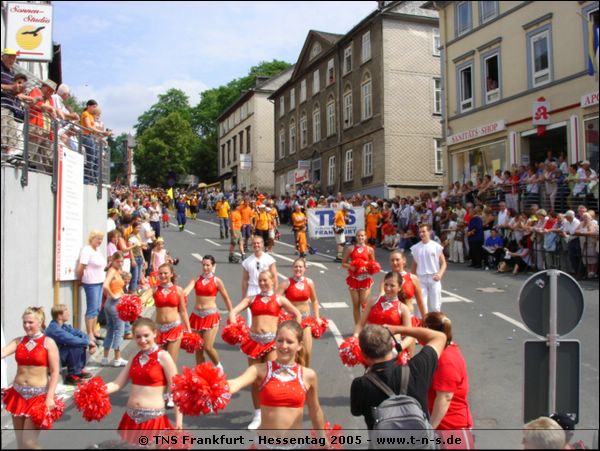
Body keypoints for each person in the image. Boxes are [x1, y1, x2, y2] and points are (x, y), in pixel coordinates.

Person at [229, 271, 301, 430]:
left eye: (265, 280)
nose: (262, 283)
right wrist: (234, 328)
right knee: (255, 379)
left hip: (271, 344)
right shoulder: (252, 299)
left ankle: (271, 412)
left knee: (270, 378)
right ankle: (257, 414)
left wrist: (294, 335)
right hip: (253, 342)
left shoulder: (279, 299)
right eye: (260, 281)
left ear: (272, 281)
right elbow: (233, 312)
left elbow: (296, 314)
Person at [227, 321, 325, 435]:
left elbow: (315, 411)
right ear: (274, 342)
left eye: (289, 342)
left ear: (299, 345)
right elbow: (235, 383)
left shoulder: (308, 375)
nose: (284, 346)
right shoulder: (259, 370)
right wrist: (213, 385)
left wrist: (323, 439)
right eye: (280, 340)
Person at [350, 324, 446, 430]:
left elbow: (356, 411)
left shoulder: (360, 384)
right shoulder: (417, 368)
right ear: (392, 346)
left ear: (364, 355)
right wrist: (397, 329)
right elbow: (440, 337)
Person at [105, 317, 182, 443]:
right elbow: (116, 383)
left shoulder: (163, 356)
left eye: (146, 335)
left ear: (155, 333)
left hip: (153, 421)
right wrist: (95, 390)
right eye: (138, 336)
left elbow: (176, 389)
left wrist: (178, 421)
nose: (142, 340)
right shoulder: (134, 356)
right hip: (130, 419)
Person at [1, 307, 61, 449]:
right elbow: (2, 352)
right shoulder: (18, 341)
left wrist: (50, 397)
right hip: (17, 396)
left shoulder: (48, 343)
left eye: (30, 322)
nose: (26, 325)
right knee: (21, 444)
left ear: (40, 322)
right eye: (24, 322)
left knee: (29, 442)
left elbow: (55, 371)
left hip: (38, 397)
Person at [423, 312, 474, 449]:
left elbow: (445, 397)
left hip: (450, 429)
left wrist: (430, 430)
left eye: (422, 329)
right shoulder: (444, 350)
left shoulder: (446, 359)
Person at [183, 255, 233, 371]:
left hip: (210, 316)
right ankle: (201, 372)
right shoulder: (196, 279)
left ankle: (218, 366)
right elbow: (186, 291)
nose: (205, 267)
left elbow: (226, 298)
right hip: (196, 317)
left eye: (208, 265)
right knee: (198, 348)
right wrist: (178, 294)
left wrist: (232, 314)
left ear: (213, 266)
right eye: (204, 265)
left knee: (208, 347)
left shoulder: (217, 281)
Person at [277, 258, 322, 367]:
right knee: (292, 351)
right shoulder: (286, 283)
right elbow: (275, 301)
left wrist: (317, 317)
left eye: (300, 267)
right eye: (296, 266)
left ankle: (305, 374)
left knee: (306, 351)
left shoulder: (309, 282)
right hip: (291, 322)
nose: (298, 269)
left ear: (305, 269)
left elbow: (315, 300)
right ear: (293, 268)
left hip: (305, 321)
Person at [355, 272, 414, 354]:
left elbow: (410, 335)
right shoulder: (373, 301)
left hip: (390, 350)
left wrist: (397, 349)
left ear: (399, 287)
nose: (388, 288)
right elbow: (360, 324)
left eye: (392, 285)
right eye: (386, 284)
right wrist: (355, 339)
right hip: (370, 347)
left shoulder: (403, 308)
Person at [152, 263, 191, 367]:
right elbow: (142, 300)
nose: (163, 275)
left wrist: (188, 329)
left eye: (165, 273)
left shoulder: (178, 290)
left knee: (170, 364)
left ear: (171, 274)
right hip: (159, 330)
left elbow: (182, 311)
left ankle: (172, 383)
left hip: (175, 328)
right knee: (159, 363)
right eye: (160, 273)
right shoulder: (154, 290)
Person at [45, 304, 95, 385]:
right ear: (59, 316)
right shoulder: (54, 329)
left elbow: (79, 333)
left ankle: (78, 370)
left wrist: (88, 341)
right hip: (52, 358)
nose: (68, 314)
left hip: (59, 354)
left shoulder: (63, 326)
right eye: (66, 312)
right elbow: (70, 339)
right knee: (75, 345)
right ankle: (72, 375)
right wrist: (88, 342)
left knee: (79, 342)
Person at [77, 230, 107, 344]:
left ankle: (94, 330)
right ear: (92, 238)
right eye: (98, 239)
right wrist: (81, 279)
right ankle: (89, 333)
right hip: (91, 282)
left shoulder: (97, 250)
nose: (100, 241)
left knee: (97, 307)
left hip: (99, 281)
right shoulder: (87, 250)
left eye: (101, 239)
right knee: (92, 308)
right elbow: (81, 267)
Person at [342, 229, 377, 326]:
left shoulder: (370, 249)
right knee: (356, 304)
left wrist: (367, 267)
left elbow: (373, 264)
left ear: (365, 237)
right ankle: (358, 327)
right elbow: (344, 263)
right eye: (358, 236)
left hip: (365, 279)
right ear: (356, 237)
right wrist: (351, 267)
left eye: (362, 236)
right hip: (353, 279)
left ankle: (367, 324)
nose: (360, 237)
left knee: (364, 303)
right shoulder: (351, 248)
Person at [411, 224, 447, 314]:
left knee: (435, 306)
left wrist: (440, 274)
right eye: (420, 232)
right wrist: (412, 279)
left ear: (430, 232)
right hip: (421, 279)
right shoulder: (416, 248)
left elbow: (443, 263)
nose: (421, 234)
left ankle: (437, 326)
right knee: (421, 306)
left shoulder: (436, 246)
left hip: (434, 278)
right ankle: (421, 325)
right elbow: (415, 265)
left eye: (424, 231)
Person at [241, 235, 278, 323]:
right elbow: (245, 280)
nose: (256, 245)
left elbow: (274, 277)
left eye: (258, 243)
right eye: (254, 243)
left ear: (262, 244)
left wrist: (276, 294)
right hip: (252, 290)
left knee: (268, 315)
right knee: (251, 319)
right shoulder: (247, 262)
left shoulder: (269, 259)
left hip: (267, 289)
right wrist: (243, 297)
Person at [101, 253, 128, 367]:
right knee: (119, 330)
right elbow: (105, 285)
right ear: (113, 261)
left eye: (122, 261)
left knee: (111, 330)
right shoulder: (112, 271)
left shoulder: (115, 270)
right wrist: (113, 295)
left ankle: (105, 357)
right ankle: (117, 358)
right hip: (114, 303)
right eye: (118, 262)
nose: (120, 264)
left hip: (110, 304)